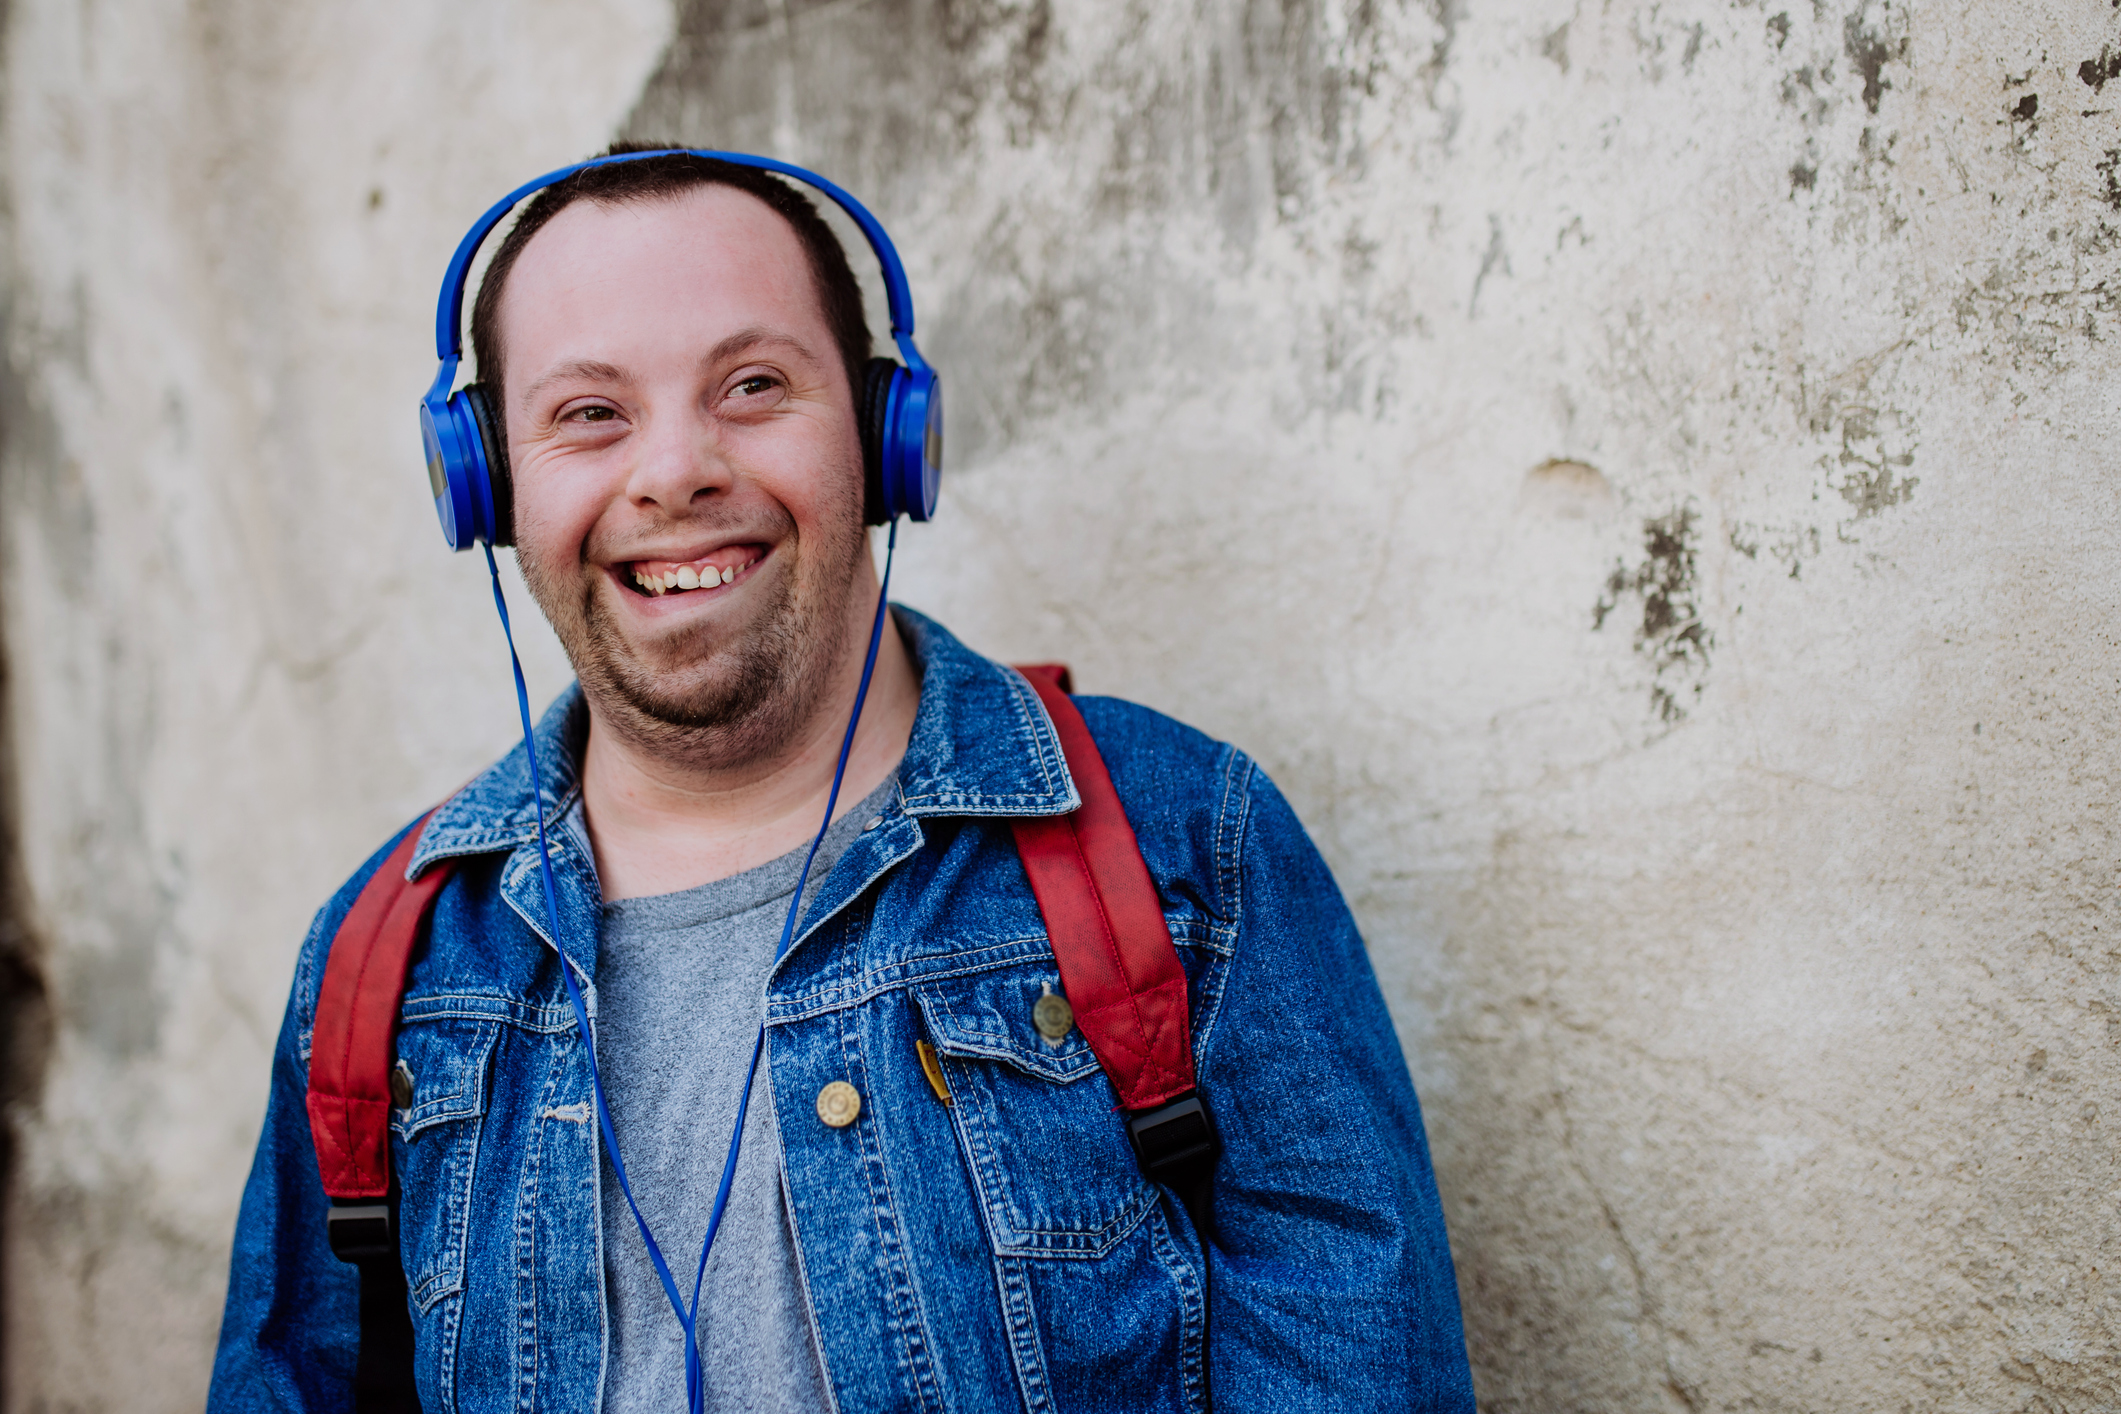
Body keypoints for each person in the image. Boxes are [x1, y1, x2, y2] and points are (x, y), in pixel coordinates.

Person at [207, 144, 1476, 1413]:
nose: (672, 471)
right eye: (589, 412)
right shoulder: (389, 960)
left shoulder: (1188, 851)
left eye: (754, 385)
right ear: (484, 483)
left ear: (886, 438)